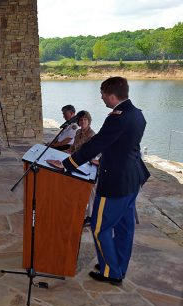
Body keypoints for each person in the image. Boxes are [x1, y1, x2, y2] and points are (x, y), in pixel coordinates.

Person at [47, 77, 150, 285]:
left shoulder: (117, 118)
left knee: (99, 227)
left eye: (102, 93)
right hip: (133, 179)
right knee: (124, 227)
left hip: (115, 182)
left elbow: (96, 144)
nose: (100, 97)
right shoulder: (137, 114)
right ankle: (117, 265)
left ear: (112, 96)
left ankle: (111, 272)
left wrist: (68, 164)